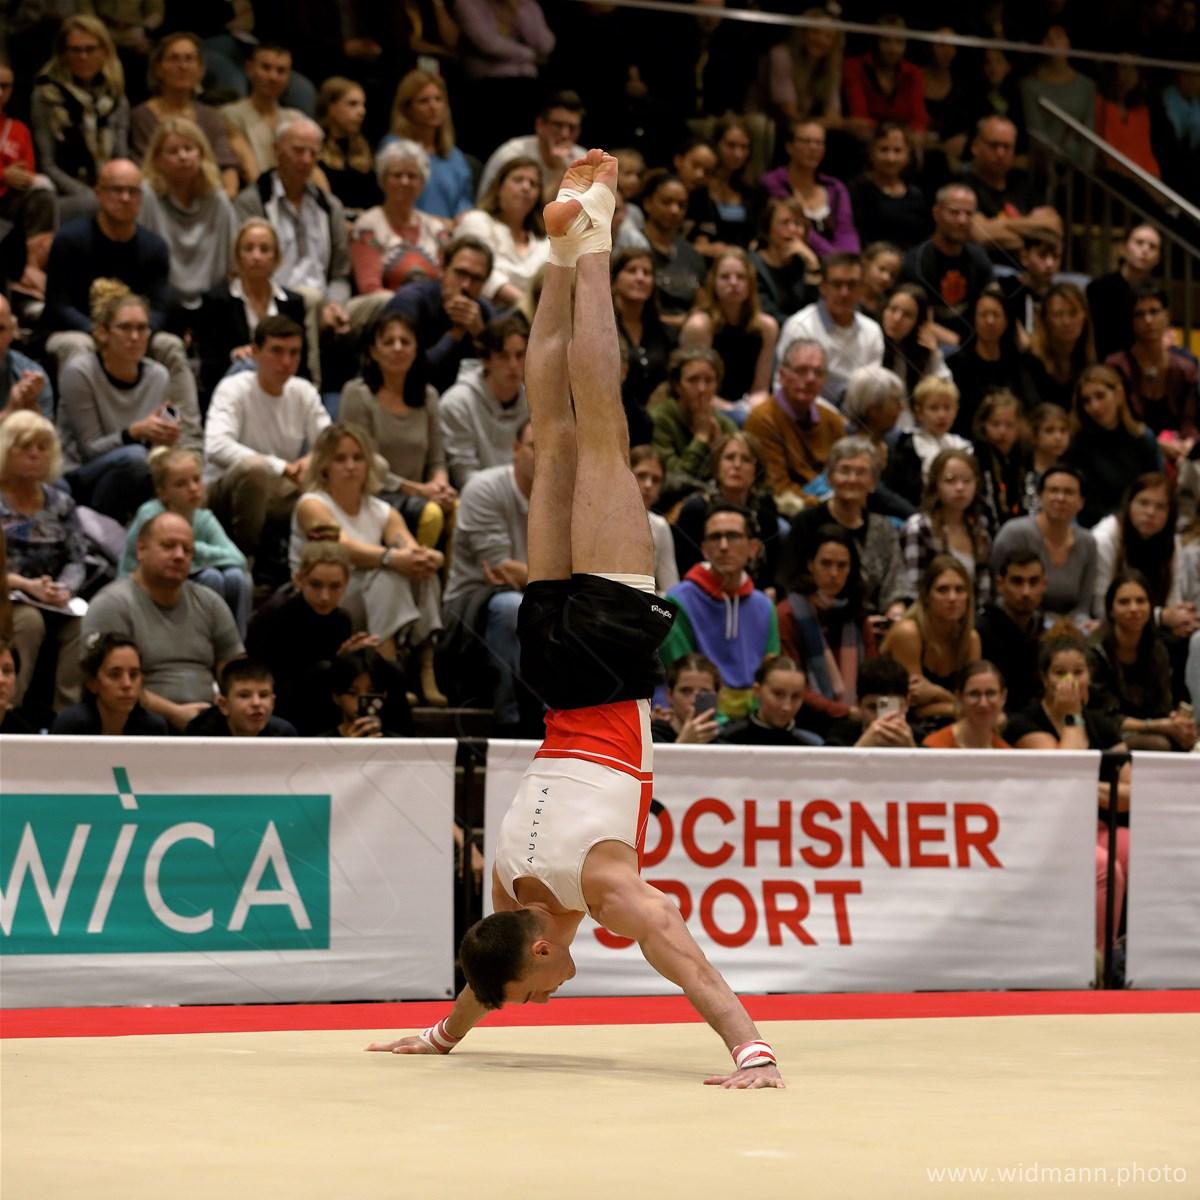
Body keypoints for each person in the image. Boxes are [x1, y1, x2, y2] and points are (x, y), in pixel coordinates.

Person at [369, 154, 784, 1089]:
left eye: (533, 992)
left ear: (542, 949)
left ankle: (594, 232)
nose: (540, 1002)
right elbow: (489, 970)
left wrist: (749, 1049)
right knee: (557, 435)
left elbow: (685, 960)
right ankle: (561, 256)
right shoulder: (507, 889)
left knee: (599, 429)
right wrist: (443, 1035)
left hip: (602, 663)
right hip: (549, 673)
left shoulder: (599, 890)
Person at [289, 422, 444, 700]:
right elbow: (341, 546)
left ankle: (426, 665)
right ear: (324, 465)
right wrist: (390, 557)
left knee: (422, 572)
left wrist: (427, 557)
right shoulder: (312, 504)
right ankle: (388, 674)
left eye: (358, 458)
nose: (350, 466)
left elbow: (406, 545)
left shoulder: (382, 509)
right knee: (387, 577)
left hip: (368, 596)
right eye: (340, 458)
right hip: (324, 594)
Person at [1004, 633, 1128, 949]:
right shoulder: (1026, 723)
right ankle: (1099, 957)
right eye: (1060, 672)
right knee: (1107, 868)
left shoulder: (1103, 725)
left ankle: (1133, 948)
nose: (1069, 680)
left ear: (1090, 677)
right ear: (1044, 679)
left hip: (1097, 825)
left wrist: (1083, 785)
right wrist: (1072, 716)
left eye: (1078, 672)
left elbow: (1130, 794)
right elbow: (1064, 772)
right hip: (1047, 828)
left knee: (1139, 849)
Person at [82, 511, 244, 731]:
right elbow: (109, 684)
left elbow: (236, 672)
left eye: (187, 550)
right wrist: (174, 713)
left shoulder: (210, 602)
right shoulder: (111, 604)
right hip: (139, 721)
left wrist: (227, 703)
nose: (179, 555)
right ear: (141, 549)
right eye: (168, 546)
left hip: (209, 719)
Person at [204, 314, 330, 572]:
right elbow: (216, 446)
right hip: (228, 491)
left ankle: (314, 565)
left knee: (343, 469)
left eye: (294, 353)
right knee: (256, 470)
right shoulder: (233, 388)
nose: (286, 362)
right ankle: (244, 561)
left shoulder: (303, 391)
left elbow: (331, 441)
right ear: (255, 352)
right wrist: (281, 467)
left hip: (280, 490)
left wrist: (312, 460)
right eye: (277, 351)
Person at [233, 117, 353, 355]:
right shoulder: (253, 201)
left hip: (327, 299)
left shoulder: (329, 205)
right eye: (298, 151)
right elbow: (244, 265)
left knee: (380, 304)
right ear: (276, 150)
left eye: (313, 153)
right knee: (308, 299)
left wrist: (333, 304)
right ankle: (308, 377)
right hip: (276, 298)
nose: (306, 160)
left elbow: (340, 273)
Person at [441, 420, 533, 726]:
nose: (546, 457)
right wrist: (561, 581)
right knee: (513, 607)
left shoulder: (568, 497)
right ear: (515, 449)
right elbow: (500, 567)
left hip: (537, 594)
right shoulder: (485, 488)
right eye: (535, 447)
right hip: (471, 606)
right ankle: (512, 722)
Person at [341, 311, 456, 540]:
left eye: (405, 341)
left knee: (458, 508)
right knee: (430, 513)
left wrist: (440, 486)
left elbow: (437, 460)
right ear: (373, 351)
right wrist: (416, 490)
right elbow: (363, 460)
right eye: (388, 342)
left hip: (422, 495)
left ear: (416, 349)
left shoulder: (428, 396)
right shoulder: (357, 394)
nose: (398, 348)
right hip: (374, 496)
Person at [0, 413, 86, 716]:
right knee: (29, 621)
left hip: (53, 597)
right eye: (25, 447)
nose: (35, 454)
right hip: (8, 596)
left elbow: (76, 558)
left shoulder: (62, 503)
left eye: (42, 447)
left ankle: (66, 716)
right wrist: (26, 586)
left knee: (83, 624)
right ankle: (10, 709)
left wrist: (64, 588)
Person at [662, 502, 779, 720]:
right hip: (703, 720)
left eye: (733, 536)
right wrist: (722, 724)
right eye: (715, 537)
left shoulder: (764, 606)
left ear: (753, 548)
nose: (724, 546)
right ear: (704, 549)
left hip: (756, 720)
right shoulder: (677, 602)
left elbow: (771, 676)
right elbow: (684, 679)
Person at [120, 446, 251, 638]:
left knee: (236, 577)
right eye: (181, 484)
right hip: (144, 590)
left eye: (197, 480)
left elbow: (238, 559)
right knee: (210, 577)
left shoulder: (203, 518)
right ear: (162, 492)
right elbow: (158, 565)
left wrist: (193, 549)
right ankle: (203, 642)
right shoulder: (152, 515)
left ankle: (237, 646)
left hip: (182, 579)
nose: (193, 488)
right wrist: (189, 551)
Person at [783, 434, 906, 622]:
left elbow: (895, 584)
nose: (852, 479)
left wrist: (894, 611)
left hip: (876, 622)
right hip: (816, 619)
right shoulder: (805, 523)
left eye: (861, 472)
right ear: (830, 478)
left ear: (873, 482)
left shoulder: (884, 529)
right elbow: (791, 581)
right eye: (844, 471)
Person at [193, 217, 309, 402]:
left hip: (282, 389)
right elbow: (208, 365)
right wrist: (234, 355)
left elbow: (301, 362)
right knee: (246, 366)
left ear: (276, 257)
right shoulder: (217, 301)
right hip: (232, 391)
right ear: (238, 256)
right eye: (248, 249)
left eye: (264, 249)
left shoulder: (293, 303)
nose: (256, 256)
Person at [30, 14, 130, 223]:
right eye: (75, 50)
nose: (83, 56)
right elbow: (47, 164)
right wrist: (92, 194)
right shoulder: (46, 96)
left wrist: (117, 186)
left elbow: (121, 154)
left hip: (108, 187)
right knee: (93, 204)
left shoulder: (115, 98)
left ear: (104, 51)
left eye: (90, 49)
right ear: (63, 53)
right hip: (64, 193)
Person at [137, 117, 239, 308]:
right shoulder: (146, 196)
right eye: (173, 151)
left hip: (213, 302)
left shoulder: (217, 199)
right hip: (159, 301)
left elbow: (234, 259)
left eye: (189, 149)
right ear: (157, 159)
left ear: (202, 154)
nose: (183, 157)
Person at [1089, 571, 1195, 751]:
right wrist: (1156, 726)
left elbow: (1164, 706)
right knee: (1159, 744)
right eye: (1124, 602)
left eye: (1140, 601)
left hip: (1151, 727)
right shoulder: (1095, 651)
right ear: (1111, 610)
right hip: (1106, 732)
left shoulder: (1157, 649)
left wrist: (1177, 723)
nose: (1133, 608)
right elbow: (1102, 715)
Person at [777, 523, 871, 717]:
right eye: (826, 564)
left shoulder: (858, 615)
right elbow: (790, 683)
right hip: (803, 715)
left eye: (842, 566)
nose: (834, 574)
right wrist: (844, 711)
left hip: (857, 715)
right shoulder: (787, 614)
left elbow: (872, 676)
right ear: (810, 565)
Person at [1091, 473, 1198, 644]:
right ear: (1129, 504)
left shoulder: (1172, 543)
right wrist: (1161, 616)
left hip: (1154, 628)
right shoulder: (1105, 538)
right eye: (1143, 503)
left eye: (1160, 507)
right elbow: (1101, 609)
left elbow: (1174, 600)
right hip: (1112, 627)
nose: (1150, 512)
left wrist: (1181, 617)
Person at [129, 32, 239, 197]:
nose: (182, 66)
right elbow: (146, 169)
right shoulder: (141, 117)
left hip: (206, 197)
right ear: (158, 68)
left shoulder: (211, 116)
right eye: (174, 59)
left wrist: (226, 196)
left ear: (200, 70)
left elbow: (227, 166)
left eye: (189, 59)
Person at [383, 235, 497, 393]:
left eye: (476, 279)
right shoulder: (410, 302)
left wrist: (480, 337)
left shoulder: (485, 314)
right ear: (442, 270)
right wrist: (454, 335)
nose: (466, 285)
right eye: (460, 273)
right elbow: (406, 374)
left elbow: (503, 378)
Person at [881, 555, 981, 734]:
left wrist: (937, 693)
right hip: (898, 723)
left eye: (960, 590)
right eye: (942, 590)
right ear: (926, 596)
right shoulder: (908, 633)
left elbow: (976, 702)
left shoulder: (970, 640)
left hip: (951, 726)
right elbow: (915, 706)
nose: (952, 598)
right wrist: (961, 707)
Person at [745, 339, 847, 514]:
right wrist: (826, 506)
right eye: (801, 371)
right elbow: (776, 487)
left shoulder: (833, 420)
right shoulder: (763, 419)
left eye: (818, 373)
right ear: (782, 375)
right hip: (788, 508)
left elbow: (845, 472)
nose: (810, 379)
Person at [673, 431, 781, 591]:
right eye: (730, 458)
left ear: (756, 469)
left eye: (746, 460)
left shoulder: (765, 514)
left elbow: (769, 575)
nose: (737, 465)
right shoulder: (695, 510)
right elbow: (684, 568)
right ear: (717, 466)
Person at [990, 464, 1097, 627]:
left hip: (1070, 630)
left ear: (1081, 502)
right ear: (1040, 496)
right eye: (1053, 490)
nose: (1060, 498)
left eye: (1068, 492)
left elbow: (1084, 605)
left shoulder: (1087, 542)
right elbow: (996, 592)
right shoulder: (1014, 533)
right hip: (1016, 624)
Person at [776, 253, 883, 405]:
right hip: (807, 410)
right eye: (837, 284)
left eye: (852, 285)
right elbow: (783, 385)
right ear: (823, 287)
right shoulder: (800, 325)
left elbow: (869, 390)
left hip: (855, 412)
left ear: (862, 289)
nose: (844, 293)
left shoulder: (872, 330)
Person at [1106, 287, 1199, 463]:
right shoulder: (1116, 367)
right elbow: (1116, 424)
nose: (1148, 320)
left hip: (1178, 453)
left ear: (1166, 316)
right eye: (1139, 314)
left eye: (1154, 312)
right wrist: (1157, 445)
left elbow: (1190, 420)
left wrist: (1188, 443)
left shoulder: (1185, 368)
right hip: (1129, 453)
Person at [1064, 365, 1162, 529]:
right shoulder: (1077, 443)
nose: (1094, 407)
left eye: (1100, 396)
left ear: (1118, 395)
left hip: (1137, 524)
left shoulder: (1142, 438)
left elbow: (1156, 488)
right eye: (1087, 401)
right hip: (1091, 527)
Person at [679, 249, 779, 408]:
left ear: (751, 283)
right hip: (706, 405)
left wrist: (751, 411)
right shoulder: (699, 326)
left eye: (741, 277)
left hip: (748, 406)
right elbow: (696, 389)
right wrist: (733, 411)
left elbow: (760, 390)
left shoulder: (767, 327)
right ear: (713, 282)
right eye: (725, 277)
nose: (733, 282)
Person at [349, 139, 448, 298]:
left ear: (422, 183)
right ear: (383, 180)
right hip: (384, 305)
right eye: (397, 175)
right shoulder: (367, 226)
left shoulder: (436, 229)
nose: (404, 181)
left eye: (412, 176)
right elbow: (369, 288)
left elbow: (448, 281)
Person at [899, 183, 993, 346]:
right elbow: (920, 321)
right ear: (936, 213)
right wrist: (965, 346)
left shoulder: (978, 257)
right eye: (954, 212)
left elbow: (994, 303)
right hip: (931, 344)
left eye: (969, 213)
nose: (962, 220)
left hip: (973, 340)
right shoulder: (916, 261)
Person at [899, 448, 991, 608]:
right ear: (935, 485)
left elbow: (984, 584)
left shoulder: (979, 526)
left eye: (967, 481)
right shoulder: (918, 528)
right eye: (950, 481)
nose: (960, 487)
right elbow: (915, 590)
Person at [961, 116, 1061, 257]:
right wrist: (1031, 231)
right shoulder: (962, 187)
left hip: (1027, 268)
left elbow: (1054, 225)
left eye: (1007, 147)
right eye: (994, 145)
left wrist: (999, 225)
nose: (1000, 153)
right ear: (975, 147)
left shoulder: (1023, 183)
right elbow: (980, 235)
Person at [758, 120, 858, 259]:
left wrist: (849, 261)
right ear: (789, 147)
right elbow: (803, 232)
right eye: (806, 141)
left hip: (835, 265)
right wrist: (834, 260)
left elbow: (846, 232)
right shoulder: (773, 182)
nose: (813, 147)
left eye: (819, 143)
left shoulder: (835, 187)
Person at [648, 347, 737, 502]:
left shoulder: (725, 425)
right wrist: (701, 439)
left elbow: (734, 479)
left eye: (709, 381)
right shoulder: (659, 420)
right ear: (677, 386)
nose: (702, 389)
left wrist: (717, 450)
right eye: (692, 380)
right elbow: (674, 478)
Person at [0, 58, 57, 297]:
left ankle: (33, 268)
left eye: (5, 86)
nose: (0, 92)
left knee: (43, 189)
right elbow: (10, 173)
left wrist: (16, 177)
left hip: (9, 204)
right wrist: (3, 174)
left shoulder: (18, 129)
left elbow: (28, 172)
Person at [384, 69, 473, 220]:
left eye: (438, 99)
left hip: (451, 231)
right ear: (407, 109)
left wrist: (461, 220)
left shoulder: (454, 156)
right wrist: (439, 224)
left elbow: (464, 202)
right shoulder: (394, 149)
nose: (433, 107)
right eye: (424, 101)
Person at [949, 284, 1037, 434]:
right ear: (973, 319)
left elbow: (1033, 408)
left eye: (996, 315)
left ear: (1007, 320)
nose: (990, 321)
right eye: (983, 315)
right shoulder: (956, 364)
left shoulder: (1020, 363)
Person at [475, 89, 585, 204]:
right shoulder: (511, 154)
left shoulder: (584, 159)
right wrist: (560, 172)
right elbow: (484, 204)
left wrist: (561, 168)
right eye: (558, 125)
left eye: (572, 128)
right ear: (540, 125)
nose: (565, 134)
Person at [50, 632, 167, 735]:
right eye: (115, 675)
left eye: (133, 675)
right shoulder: (71, 725)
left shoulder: (153, 728)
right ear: (92, 683)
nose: (127, 684)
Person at [976, 548, 1048, 714]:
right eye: (1017, 582)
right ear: (1000, 584)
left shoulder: (1042, 632)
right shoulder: (981, 631)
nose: (1026, 592)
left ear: (1044, 584)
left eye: (1033, 582)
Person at [219, 43, 305, 182]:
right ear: (249, 68)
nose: (273, 77)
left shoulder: (296, 119)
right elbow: (246, 166)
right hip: (251, 191)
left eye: (281, 71)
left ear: (289, 76)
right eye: (266, 68)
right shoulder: (230, 114)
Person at [611, 247, 672, 441]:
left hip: (656, 422)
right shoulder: (603, 328)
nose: (640, 278)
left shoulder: (662, 332)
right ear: (614, 279)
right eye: (632, 271)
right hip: (614, 421)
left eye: (647, 273)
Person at [884, 377, 973, 510]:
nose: (941, 415)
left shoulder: (963, 446)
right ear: (919, 412)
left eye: (947, 408)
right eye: (934, 408)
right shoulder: (907, 446)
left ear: (956, 411)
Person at [1020, 27, 1097, 173]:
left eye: (1059, 37)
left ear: (1068, 43)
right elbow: (1037, 133)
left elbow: (1089, 135)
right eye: (1048, 39)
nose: (1054, 43)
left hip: (1079, 168)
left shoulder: (1087, 86)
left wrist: (1085, 169)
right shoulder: (1029, 86)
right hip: (1045, 167)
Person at [635, 171, 706, 325]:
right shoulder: (633, 246)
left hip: (688, 333)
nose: (675, 210)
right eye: (666, 202)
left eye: (681, 205)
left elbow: (703, 304)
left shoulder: (691, 254)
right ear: (647, 203)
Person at [841, 16, 928, 141]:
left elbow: (919, 121)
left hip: (902, 143)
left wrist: (908, 136)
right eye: (886, 41)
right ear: (875, 41)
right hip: (862, 142)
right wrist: (894, 133)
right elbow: (859, 118)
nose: (893, 49)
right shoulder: (854, 67)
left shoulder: (913, 73)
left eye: (899, 42)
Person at [1087, 223, 1162, 362]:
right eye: (1139, 243)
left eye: (1152, 246)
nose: (1145, 250)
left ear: (1158, 258)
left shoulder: (1158, 294)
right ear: (1123, 249)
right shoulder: (1099, 288)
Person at [849, 122, 928, 251]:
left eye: (897, 151)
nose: (891, 158)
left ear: (908, 155)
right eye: (884, 150)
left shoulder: (916, 195)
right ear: (871, 152)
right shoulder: (857, 189)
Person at [718, 654, 822, 746]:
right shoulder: (727, 742)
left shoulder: (812, 747)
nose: (787, 707)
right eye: (778, 694)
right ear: (757, 691)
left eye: (795, 696)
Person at [748, 196, 819, 328]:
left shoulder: (804, 262)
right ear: (767, 229)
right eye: (784, 223)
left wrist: (813, 265)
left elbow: (816, 308)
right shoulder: (752, 265)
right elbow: (768, 313)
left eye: (798, 224)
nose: (792, 229)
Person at [1024, 282, 1096, 409]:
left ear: (1084, 316)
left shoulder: (1090, 359)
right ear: (1045, 320)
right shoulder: (1030, 361)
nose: (1066, 322)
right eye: (1058, 314)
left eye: (1073, 313)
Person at [315, 77, 381, 217]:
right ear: (331, 107)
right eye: (352, 104)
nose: (362, 112)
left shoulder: (366, 149)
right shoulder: (314, 150)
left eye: (363, 105)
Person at [184, 656, 297, 737]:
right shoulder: (200, 733)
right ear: (223, 705)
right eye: (244, 696)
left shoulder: (284, 734)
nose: (256, 703)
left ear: (273, 702)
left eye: (263, 695)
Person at [973, 389, 1034, 531]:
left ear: (1019, 426)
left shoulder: (1024, 455)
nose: (1002, 431)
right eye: (995, 424)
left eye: (1009, 425)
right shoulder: (978, 456)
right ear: (983, 425)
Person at [825, 655, 916, 748]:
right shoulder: (839, 736)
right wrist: (862, 747)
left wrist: (912, 750)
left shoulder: (918, 736)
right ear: (858, 704)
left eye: (890, 707)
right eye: (873, 707)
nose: (881, 718)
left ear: (906, 704)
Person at [879, 283, 948, 398]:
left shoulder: (922, 351)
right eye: (893, 309)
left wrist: (935, 354)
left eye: (907, 315)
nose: (897, 318)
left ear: (918, 323)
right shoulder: (871, 339)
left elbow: (945, 392)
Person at [323, 649, 412, 738]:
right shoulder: (320, 743)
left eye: (372, 692)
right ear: (336, 697)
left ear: (384, 695)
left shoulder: (399, 743)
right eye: (352, 693)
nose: (362, 702)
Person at [630, 445, 680, 594]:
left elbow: (670, 588)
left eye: (656, 480)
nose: (648, 485)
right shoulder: (601, 519)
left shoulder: (660, 525)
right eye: (641, 475)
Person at [0, 295, 53, 423]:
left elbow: (44, 434)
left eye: (0, 329)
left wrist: (32, 410)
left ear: (12, 332)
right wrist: (10, 412)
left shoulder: (32, 375)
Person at [651, 652, 720, 744]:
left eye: (704, 692)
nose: (694, 700)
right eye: (686, 691)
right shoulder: (650, 738)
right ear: (670, 695)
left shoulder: (727, 743)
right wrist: (683, 743)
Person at [860, 242, 902, 324]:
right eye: (882, 269)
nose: (886, 278)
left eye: (892, 275)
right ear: (866, 264)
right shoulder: (847, 295)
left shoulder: (887, 307)